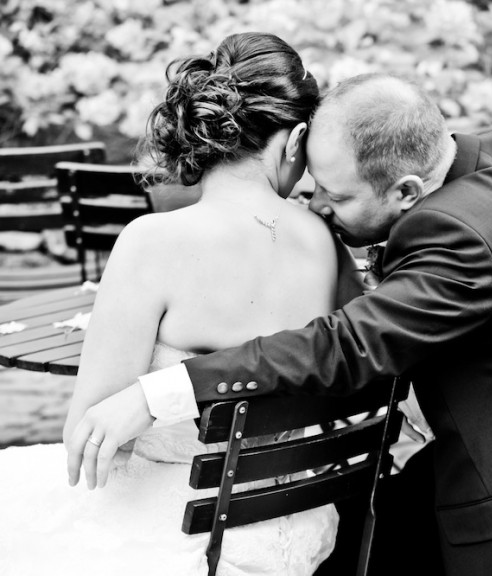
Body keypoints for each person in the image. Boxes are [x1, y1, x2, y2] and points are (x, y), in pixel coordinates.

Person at [67, 73, 492, 576]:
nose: (315, 206)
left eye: (336, 199)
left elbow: (346, 348)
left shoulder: (454, 235)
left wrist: (161, 391)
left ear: (406, 191)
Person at [0, 32, 345, 576]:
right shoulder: (328, 241)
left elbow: (90, 442)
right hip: (294, 518)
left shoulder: (151, 242)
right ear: (298, 136)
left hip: (184, 527)